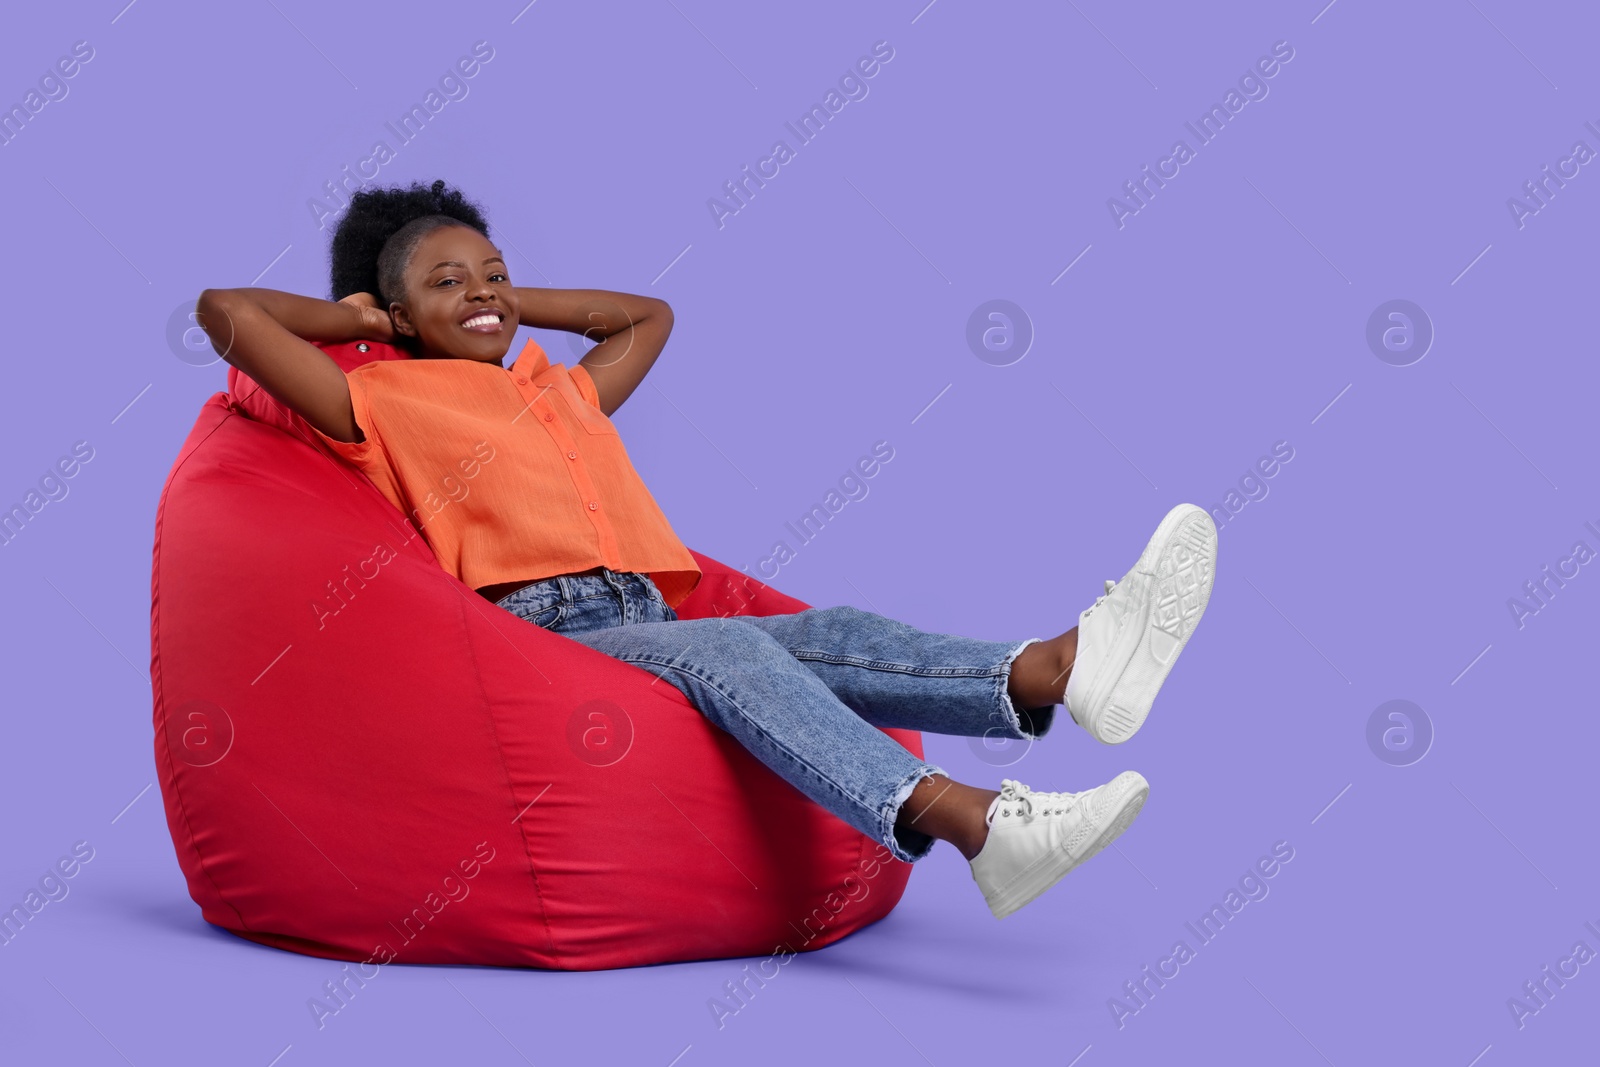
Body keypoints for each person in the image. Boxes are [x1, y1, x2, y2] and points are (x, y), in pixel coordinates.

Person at [196, 179, 1217, 921]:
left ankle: (1057, 668)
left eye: (496, 272)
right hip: (539, 631)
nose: (484, 290)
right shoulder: (381, 398)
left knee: (822, 631)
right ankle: (977, 824)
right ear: (396, 311)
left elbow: (647, 315)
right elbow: (229, 315)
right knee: (733, 653)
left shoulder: (558, 389)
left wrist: (504, 303)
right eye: (448, 279)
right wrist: (362, 318)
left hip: (641, 611)